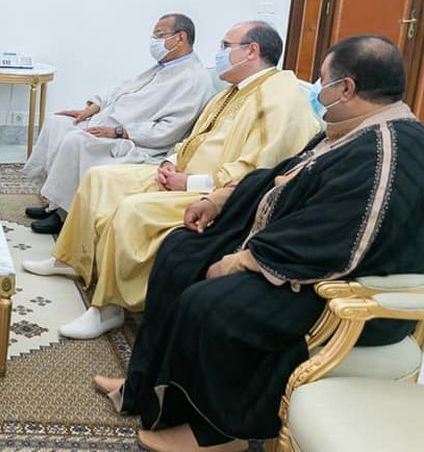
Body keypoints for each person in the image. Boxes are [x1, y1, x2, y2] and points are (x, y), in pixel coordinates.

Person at [93, 35, 424, 452]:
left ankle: (217, 433)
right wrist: (219, 199)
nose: (316, 89)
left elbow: (335, 240)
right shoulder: (353, 128)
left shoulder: (388, 150)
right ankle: (143, 386)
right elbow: (282, 176)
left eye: (322, 80)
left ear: (346, 88)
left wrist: (242, 261)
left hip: (339, 290)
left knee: (207, 301)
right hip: (298, 256)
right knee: (180, 253)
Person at [23, 22, 321, 339]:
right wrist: (171, 162)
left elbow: (255, 173)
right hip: (179, 174)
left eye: (225, 45)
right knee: (99, 178)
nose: (219, 53)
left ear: (252, 51)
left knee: (132, 211)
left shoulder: (278, 100)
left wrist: (189, 183)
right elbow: (194, 137)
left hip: (212, 192)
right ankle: (72, 259)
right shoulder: (234, 90)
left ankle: (108, 307)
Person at [22, 13, 212, 234]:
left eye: (160, 35)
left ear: (180, 37)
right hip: (108, 125)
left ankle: (65, 215)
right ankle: (53, 202)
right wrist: (92, 107)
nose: (154, 42)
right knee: (59, 122)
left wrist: (120, 132)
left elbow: (169, 130)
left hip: (137, 142)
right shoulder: (164, 66)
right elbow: (122, 88)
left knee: (77, 140)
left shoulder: (193, 79)